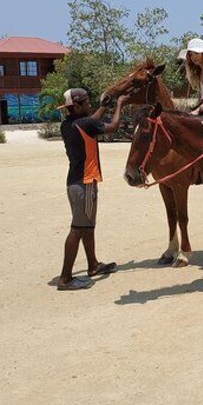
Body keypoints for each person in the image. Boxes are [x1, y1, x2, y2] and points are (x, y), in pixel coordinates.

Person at [56, 88, 127, 290]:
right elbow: (112, 126)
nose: (89, 106)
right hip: (85, 184)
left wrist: (103, 107)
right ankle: (65, 278)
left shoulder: (67, 124)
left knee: (87, 226)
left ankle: (93, 265)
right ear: (77, 106)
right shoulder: (86, 123)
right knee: (78, 229)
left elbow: (91, 120)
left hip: (74, 183)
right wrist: (119, 104)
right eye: (86, 103)